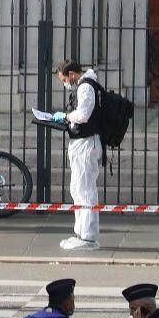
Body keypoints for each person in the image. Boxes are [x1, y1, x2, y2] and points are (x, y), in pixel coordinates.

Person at [51, 60, 104, 251]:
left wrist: (65, 116)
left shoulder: (86, 87)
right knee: (78, 188)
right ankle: (81, 232)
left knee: (85, 189)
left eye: (65, 79)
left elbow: (83, 115)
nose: (66, 82)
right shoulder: (86, 86)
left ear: (72, 73)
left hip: (86, 143)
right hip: (82, 142)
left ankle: (88, 237)